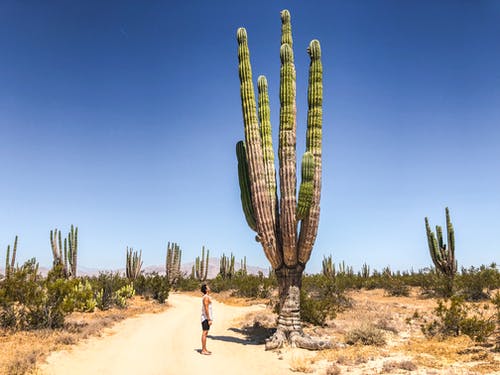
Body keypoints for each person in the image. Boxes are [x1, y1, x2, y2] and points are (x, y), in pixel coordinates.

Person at [200, 283, 213, 355]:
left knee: (205, 333)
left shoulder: (207, 297)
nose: (209, 288)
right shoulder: (206, 298)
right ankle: (203, 350)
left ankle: (204, 349)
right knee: (204, 333)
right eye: (208, 287)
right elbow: (206, 309)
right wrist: (209, 319)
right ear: (206, 289)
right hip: (205, 318)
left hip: (206, 318)